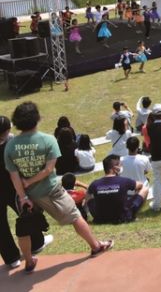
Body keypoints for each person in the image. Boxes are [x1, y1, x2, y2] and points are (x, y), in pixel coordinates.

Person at [4, 103, 113, 272]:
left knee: (24, 228)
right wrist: (32, 180)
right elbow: (48, 170)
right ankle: (96, 246)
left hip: (27, 195)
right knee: (76, 217)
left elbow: (14, 175)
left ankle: (29, 261)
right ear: (36, 119)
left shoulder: (10, 146)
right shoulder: (48, 140)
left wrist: (23, 195)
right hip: (51, 191)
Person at [0, 115, 51, 269]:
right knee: (27, 212)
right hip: (13, 186)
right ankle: (36, 243)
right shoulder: (12, 143)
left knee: (1, 225)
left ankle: (11, 258)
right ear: (8, 129)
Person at [86, 155, 148, 224]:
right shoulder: (124, 181)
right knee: (144, 189)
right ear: (115, 168)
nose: (121, 167)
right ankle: (133, 215)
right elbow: (140, 185)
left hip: (100, 218)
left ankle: (95, 216)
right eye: (120, 165)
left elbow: (88, 194)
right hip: (123, 218)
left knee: (88, 194)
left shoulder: (95, 183)